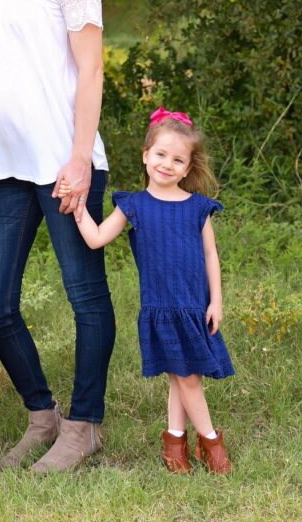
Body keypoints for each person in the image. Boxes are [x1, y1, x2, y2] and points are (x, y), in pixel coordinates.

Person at [0, 0, 116, 473]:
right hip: (2, 168)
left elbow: (91, 69)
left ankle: (84, 427)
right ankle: (43, 416)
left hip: (64, 161)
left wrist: (80, 157)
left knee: (84, 295)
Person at [62, 107, 234, 474]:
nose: (167, 164)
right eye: (160, 155)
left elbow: (210, 254)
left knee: (183, 376)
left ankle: (176, 445)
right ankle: (211, 443)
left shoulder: (198, 208)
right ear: (145, 156)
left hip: (194, 305)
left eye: (177, 159)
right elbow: (96, 239)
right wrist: (78, 206)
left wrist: (216, 301)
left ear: (187, 168)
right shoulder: (134, 206)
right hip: (161, 307)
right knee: (184, 376)